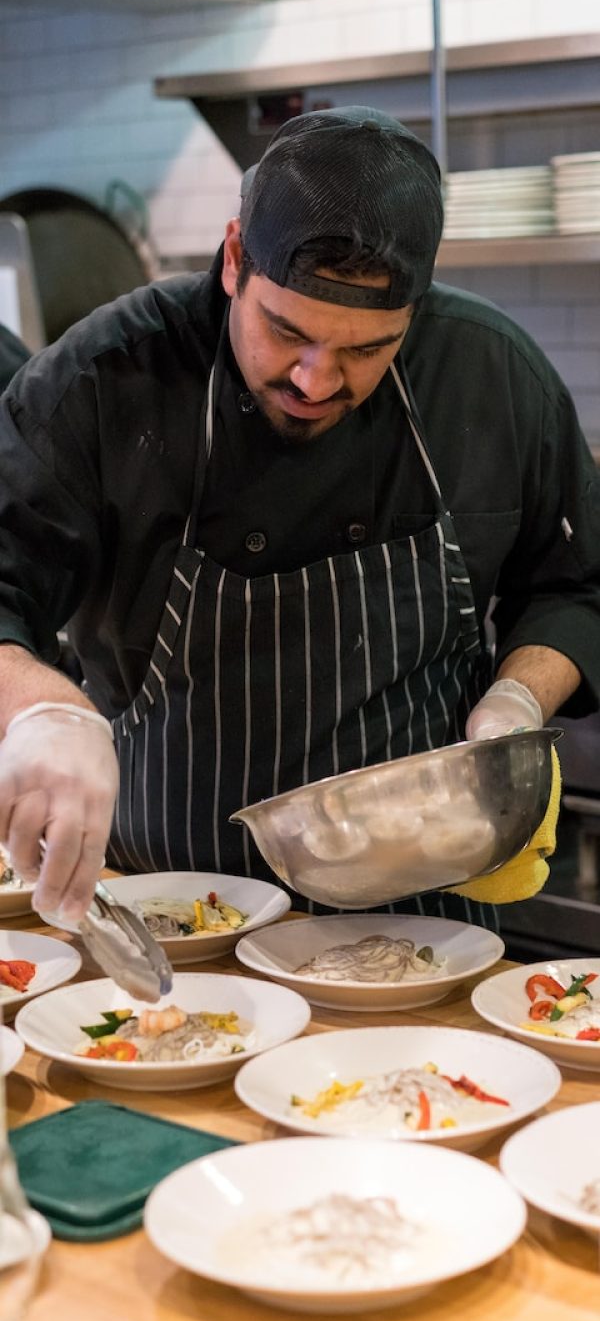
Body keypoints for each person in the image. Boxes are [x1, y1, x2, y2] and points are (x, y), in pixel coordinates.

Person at [0, 105, 598, 933]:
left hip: (428, 933)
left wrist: (518, 701)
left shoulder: (491, 375)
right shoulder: (107, 379)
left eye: (366, 349)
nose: (317, 380)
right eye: (286, 331)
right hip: (167, 918)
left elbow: (577, 586)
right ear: (236, 258)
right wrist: (40, 711)